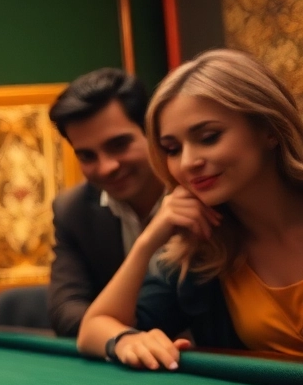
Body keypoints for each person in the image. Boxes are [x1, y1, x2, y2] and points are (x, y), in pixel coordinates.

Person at [78, 49, 303, 366]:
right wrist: (148, 240)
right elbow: (92, 329)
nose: (187, 163)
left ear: (268, 129)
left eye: (209, 137)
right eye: (172, 149)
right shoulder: (203, 252)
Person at [47, 68, 166, 336]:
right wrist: (124, 339)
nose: (106, 167)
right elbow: (66, 309)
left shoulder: (201, 193)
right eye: (87, 156)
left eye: (118, 145)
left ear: (152, 131)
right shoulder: (73, 211)